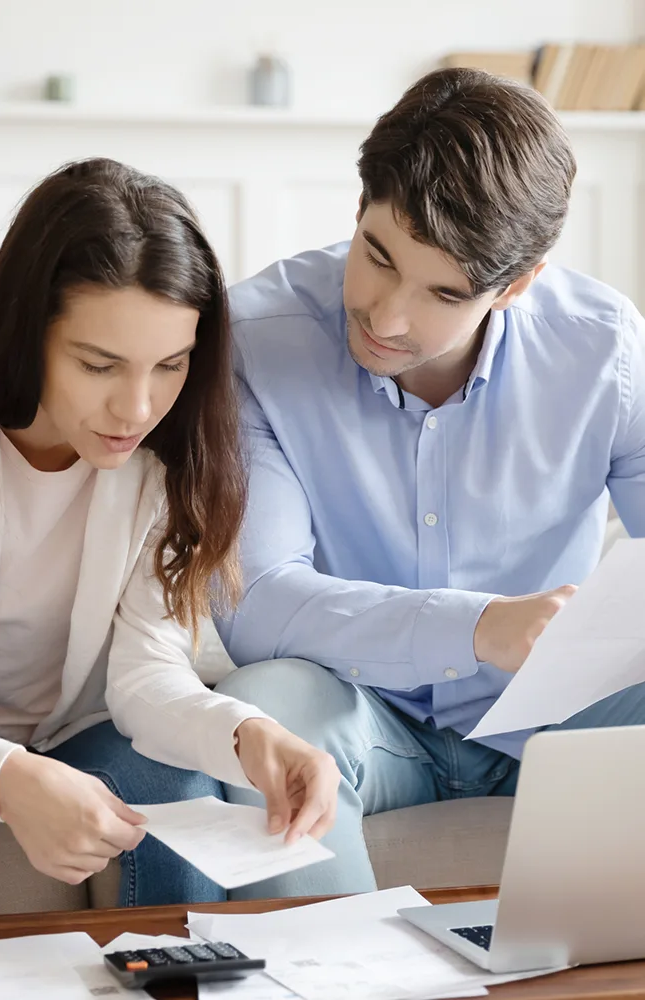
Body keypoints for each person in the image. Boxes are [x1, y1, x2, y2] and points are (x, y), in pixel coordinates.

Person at [214, 68, 645, 898]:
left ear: (517, 286)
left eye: (444, 293)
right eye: (377, 256)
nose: (386, 317)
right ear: (360, 207)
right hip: (362, 716)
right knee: (263, 705)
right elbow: (257, 603)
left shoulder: (605, 353)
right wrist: (481, 627)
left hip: (556, 721)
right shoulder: (256, 340)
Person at [0, 157, 339, 908]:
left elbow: (147, 673)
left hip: (69, 736)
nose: (137, 406)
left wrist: (252, 736)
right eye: (99, 365)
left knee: (178, 793)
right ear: (28, 330)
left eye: (171, 365)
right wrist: (2, 778)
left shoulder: (163, 462)